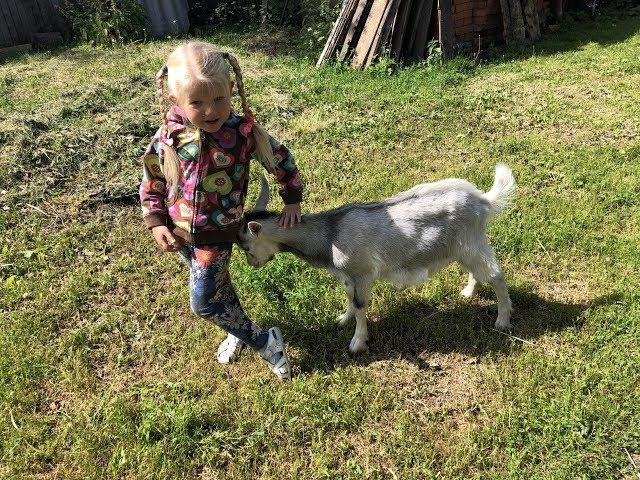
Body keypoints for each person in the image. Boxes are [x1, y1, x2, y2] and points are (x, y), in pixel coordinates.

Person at [139, 41, 303, 380]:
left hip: (217, 235)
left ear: (231, 90)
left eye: (219, 100)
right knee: (220, 288)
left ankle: (265, 341)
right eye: (197, 102)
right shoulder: (170, 135)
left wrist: (292, 197)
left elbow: (281, 160)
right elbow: (153, 176)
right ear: (176, 102)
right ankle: (237, 328)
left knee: (203, 302)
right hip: (181, 231)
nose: (211, 111)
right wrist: (156, 220)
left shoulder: (241, 133)